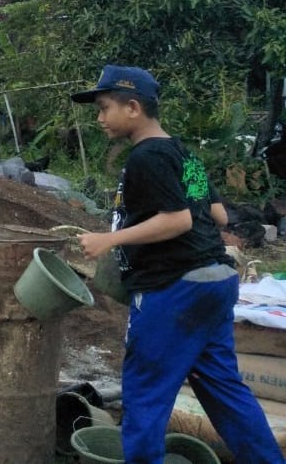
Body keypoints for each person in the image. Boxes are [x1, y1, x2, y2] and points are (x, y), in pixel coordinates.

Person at [73, 65, 283, 463]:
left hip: (174, 289)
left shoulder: (145, 158)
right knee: (223, 389)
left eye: (104, 108)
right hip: (216, 281)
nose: (99, 118)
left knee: (145, 395)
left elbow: (178, 219)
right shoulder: (183, 154)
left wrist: (109, 239)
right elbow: (217, 215)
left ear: (133, 107)